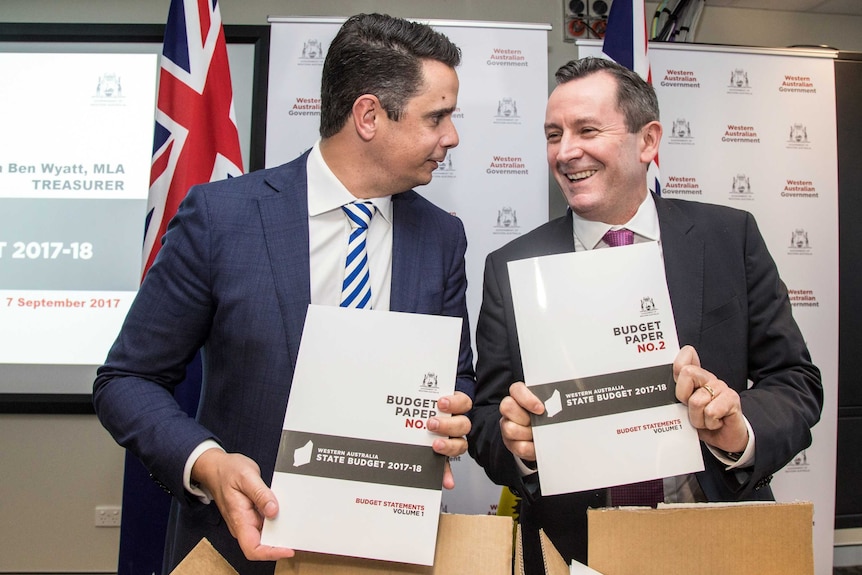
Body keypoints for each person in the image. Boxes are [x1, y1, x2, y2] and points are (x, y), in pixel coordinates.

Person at [94, 14, 474, 575]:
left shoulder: (442, 236)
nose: (452, 136)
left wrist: (452, 415)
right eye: (437, 117)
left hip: (389, 550)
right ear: (368, 115)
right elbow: (127, 381)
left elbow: (456, 375)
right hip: (240, 550)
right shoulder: (222, 219)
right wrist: (209, 464)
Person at [466, 57, 823, 574]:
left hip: (721, 538)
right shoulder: (511, 268)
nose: (566, 152)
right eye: (553, 134)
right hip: (573, 548)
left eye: (587, 130)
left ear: (648, 141)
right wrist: (519, 446)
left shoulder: (730, 238)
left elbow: (795, 381)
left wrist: (738, 430)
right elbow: (484, 418)